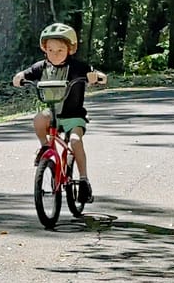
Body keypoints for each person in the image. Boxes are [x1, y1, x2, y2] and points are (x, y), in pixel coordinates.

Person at [12, 23, 107, 203]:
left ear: (70, 49)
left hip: (74, 116)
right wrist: (19, 77)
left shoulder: (77, 67)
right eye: (50, 50)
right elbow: (25, 73)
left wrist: (97, 77)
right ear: (44, 49)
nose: (54, 54)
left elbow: (97, 74)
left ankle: (84, 180)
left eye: (60, 50)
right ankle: (45, 147)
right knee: (39, 119)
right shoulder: (41, 67)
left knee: (75, 141)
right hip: (52, 114)